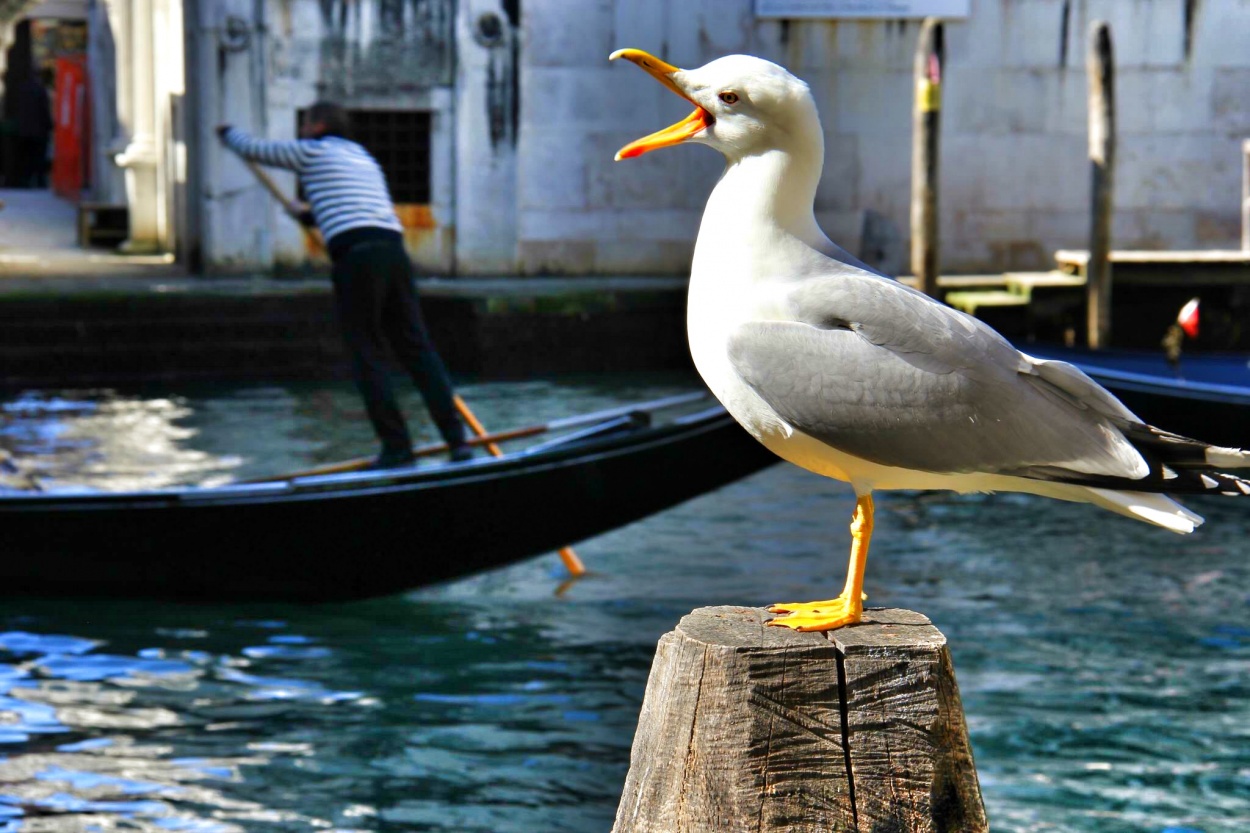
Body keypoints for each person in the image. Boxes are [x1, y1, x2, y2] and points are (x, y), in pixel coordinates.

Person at [216, 103, 472, 468]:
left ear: (318, 124)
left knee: (368, 353)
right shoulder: (362, 158)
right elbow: (351, 204)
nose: (301, 130)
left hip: (357, 257)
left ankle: (398, 449)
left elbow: (257, 150)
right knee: (417, 350)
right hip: (393, 252)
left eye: (304, 123)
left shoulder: (313, 151)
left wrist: (228, 134)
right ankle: (457, 442)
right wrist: (304, 214)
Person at [13, 68, 53, 188]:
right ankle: (40, 181)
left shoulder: (22, 90)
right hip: (39, 130)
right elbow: (44, 110)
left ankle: (25, 181)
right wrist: (49, 125)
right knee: (39, 157)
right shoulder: (41, 90)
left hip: (24, 130)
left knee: (26, 158)